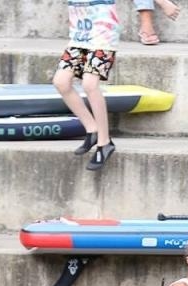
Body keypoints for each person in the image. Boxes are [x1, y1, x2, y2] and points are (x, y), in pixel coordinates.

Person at [52, 0, 175, 171]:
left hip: (103, 36)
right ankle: (92, 129)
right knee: (61, 82)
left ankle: (104, 142)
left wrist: (164, 3)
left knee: (90, 84)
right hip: (78, 36)